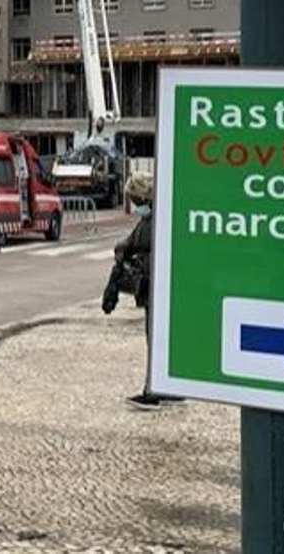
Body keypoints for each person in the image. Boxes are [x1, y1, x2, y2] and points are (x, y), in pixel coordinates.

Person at [109, 173, 180, 409]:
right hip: (163, 286)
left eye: (135, 198)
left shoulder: (154, 220)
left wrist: (122, 251)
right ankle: (169, 387)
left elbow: (133, 243)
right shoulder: (158, 215)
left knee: (156, 337)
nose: (134, 203)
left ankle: (154, 391)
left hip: (156, 287)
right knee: (162, 337)